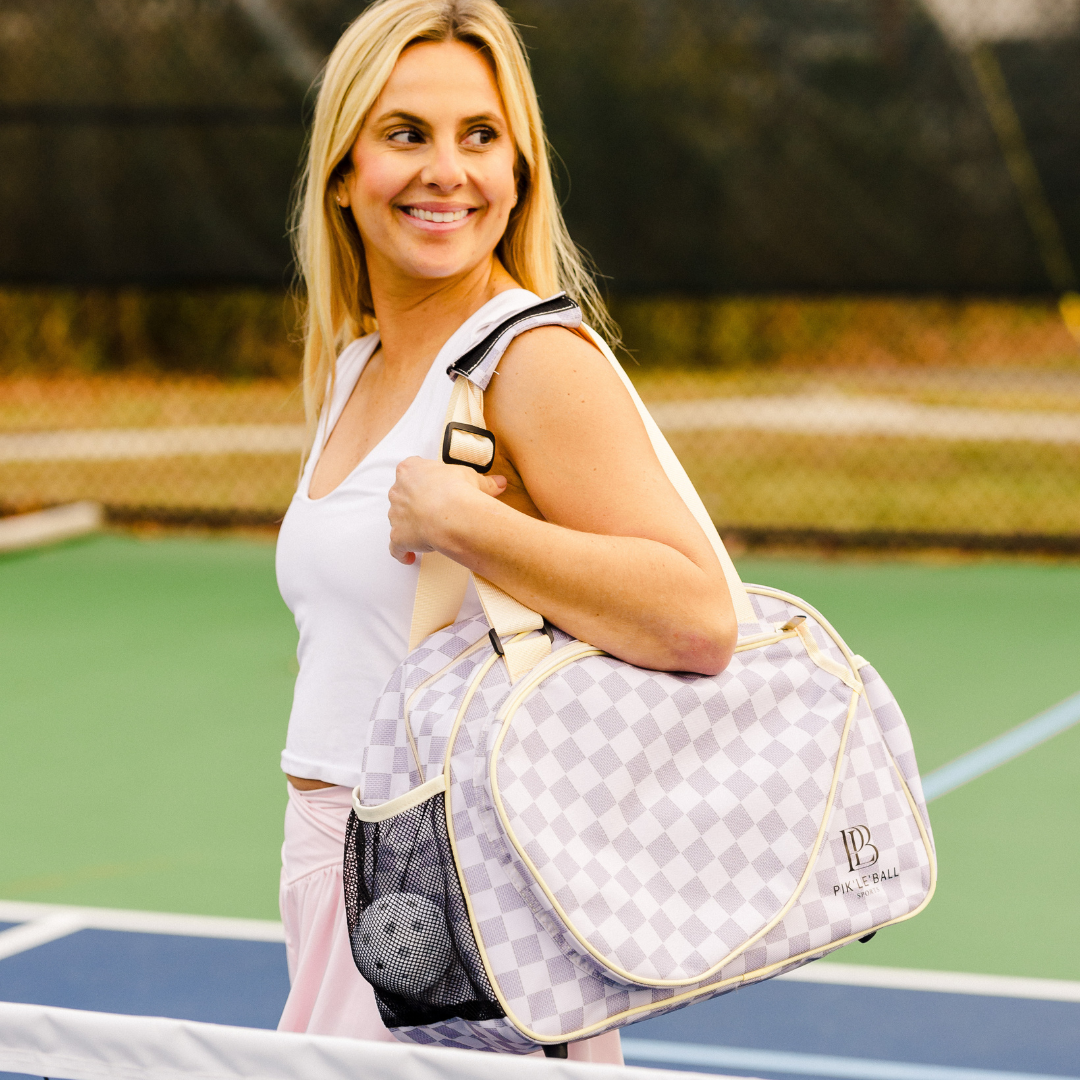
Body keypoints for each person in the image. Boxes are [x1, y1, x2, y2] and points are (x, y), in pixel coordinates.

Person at [274, 0, 737, 1061]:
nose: (447, 171)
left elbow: (699, 616)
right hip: (339, 871)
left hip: (447, 883)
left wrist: (467, 526)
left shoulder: (531, 360)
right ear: (343, 171)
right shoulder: (354, 366)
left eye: (480, 136)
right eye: (407, 134)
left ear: (519, 172)